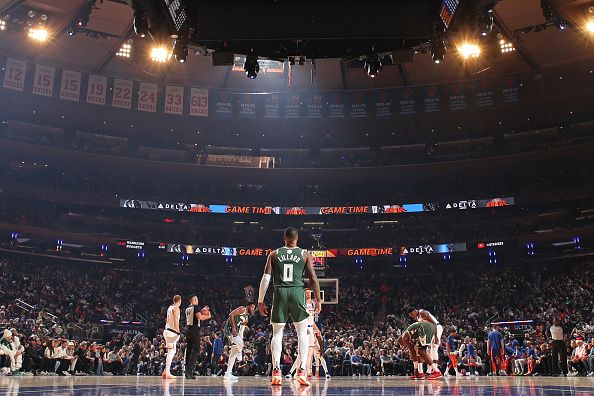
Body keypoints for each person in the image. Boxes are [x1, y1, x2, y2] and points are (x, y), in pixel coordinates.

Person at [258, 227, 321, 387]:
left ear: (284, 238)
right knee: (302, 333)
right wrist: (318, 299)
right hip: (297, 292)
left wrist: (260, 300)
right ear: (297, 238)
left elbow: (265, 278)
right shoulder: (305, 254)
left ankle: (276, 372)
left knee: (277, 333)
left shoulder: (274, 254)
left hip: (280, 292)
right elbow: (313, 278)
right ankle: (301, 372)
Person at [223, 302, 256, 380]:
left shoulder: (246, 318)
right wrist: (234, 327)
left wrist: (239, 343)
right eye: (252, 307)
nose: (253, 309)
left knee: (233, 352)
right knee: (240, 345)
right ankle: (240, 352)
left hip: (236, 333)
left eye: (254, 308)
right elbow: (231, 315)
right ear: (248, 306)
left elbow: (241, 331)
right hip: (229, 330)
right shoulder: (242, 309)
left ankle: (228, 373)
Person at [408, 308, 442, 376]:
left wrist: (436, 337)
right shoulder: (417, 317)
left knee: (434, 348)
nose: (412, 316)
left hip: (436, 328)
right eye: (411, 315)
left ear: (415, 311)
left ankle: (435, 371)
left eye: (412, 314)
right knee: (428, 350)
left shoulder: (423, 313)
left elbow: (434, 324)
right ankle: (429, 371)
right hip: (429, 330)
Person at [184, 294, 211, 379]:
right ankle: (189, 371)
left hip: (188, 329)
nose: (198, 300)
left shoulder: (188, 308)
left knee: (189, 350)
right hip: (194, 329)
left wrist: (203, 310)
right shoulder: (196, 306)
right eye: (197, 299)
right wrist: (208, 316)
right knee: (196, 350)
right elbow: (199, 317)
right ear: (194, 299)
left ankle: (187, 371)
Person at [162, 294, 182, 380]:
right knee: (172, 351)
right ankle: (167, 372)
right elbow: (175, 321)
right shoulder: (176, 308)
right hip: (172, 332)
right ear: (179, 301)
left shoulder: (169, 308)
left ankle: (166, 371)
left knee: (170, 351)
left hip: (166, 330)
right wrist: (178, 331)